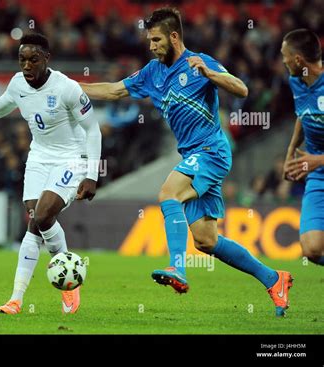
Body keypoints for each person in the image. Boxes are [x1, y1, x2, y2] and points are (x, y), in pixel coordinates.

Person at [80, 7, 292, 316]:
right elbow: (113, 91)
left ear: (174, 36)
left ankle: (178, 267)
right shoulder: (152, 71)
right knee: (207, 241)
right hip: (193, 155)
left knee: (168, 194)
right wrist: (70, 88)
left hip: (211, 151)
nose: (150, 46)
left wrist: (211, 74)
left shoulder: (199, 62)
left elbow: (242, 88)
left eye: (155, 39)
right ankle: (274, 279)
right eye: (149, 40)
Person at [0, 33, 102, 314]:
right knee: (35, 221)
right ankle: (19, 298)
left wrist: (91, 174)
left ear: (46, 59)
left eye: (33, 59)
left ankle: (65, 284)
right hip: (39, 157)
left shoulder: (68, 88)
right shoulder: (17, 84)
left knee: (43, 214)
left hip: (70, 159)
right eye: (22, 59)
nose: (26, 65)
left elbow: (93, 130)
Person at [281, 28, 324, 266]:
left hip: (317, 162)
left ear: (298, 59)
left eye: (284, 55)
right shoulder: (296, 82)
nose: (283, 61)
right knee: (312, 249)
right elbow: (303, 114)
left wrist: (319, 159)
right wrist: (290, 153)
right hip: (318, 174)